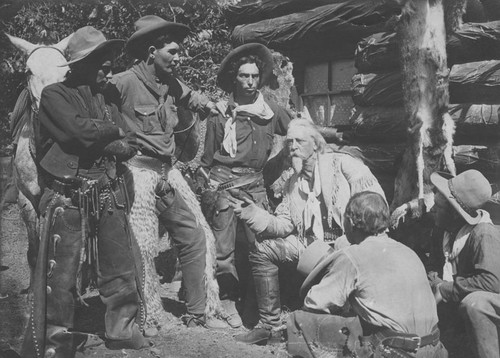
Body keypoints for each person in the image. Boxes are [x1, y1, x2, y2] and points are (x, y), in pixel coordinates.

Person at [20, 26, 147, 358]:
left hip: (107, 189)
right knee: (58, 277)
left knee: (119, 266)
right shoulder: (54, 96)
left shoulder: (109, 97)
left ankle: (122, 330)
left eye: (109, 61)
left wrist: (109, 136)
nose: (107, 68)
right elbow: (76, 133)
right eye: (100, 62)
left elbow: (130, 143)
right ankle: (53, 342)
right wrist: (111, 130)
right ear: (77, 64)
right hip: (67, 196)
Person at [110, 15, 223, 331]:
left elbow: (194, 98)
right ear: (151, 51)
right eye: (172, 52)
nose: (178, 57)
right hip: (137, 172)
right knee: (143, 246)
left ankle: (199, 312)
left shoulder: (171, 83)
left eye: (179, 51)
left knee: (197, 234)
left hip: (168, 173)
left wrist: (212, 104)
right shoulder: (122, 83)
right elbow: (92, 104)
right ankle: (148, 317)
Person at [228, 118, 385, 344]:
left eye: (299, 141)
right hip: (314, 248)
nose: (292, 146)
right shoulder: (293, 183)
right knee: (264, 249)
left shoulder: (344, 165)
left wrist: (352, 240)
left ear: (316, 144)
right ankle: (269, 327)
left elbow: (376, 205)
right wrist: (253, 213)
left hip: (354, 247)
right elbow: (283, 224)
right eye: (289, 142)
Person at [199, 42, 292, 328]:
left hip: (255, 186)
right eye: (244, 76)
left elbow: (296, 131)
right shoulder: (221, 114)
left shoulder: (270, 109)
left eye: (254, 76)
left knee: (260, 244)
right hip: (224, 184)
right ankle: (227, 301)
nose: (250, 82)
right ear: (234, 78)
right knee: (223, 249)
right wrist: (209, 189)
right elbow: (207, 158)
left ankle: (258, 303)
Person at [293, 191, 447, 358]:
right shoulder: (407, 251)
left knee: (299, 320)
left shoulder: (352, 256)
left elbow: (314, 303)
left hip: (399, 351)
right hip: (434, 347)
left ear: (351, 222)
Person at [428, 169, 500, 358]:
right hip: (456, 310)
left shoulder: (483, 234)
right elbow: (434, 265)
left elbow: (492, 283)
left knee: (474, 303)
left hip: (489, 309)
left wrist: (445, 289)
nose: (431, 210)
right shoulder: (441, 232)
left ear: (454, 213)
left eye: (438, 207)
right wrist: (433, 279)